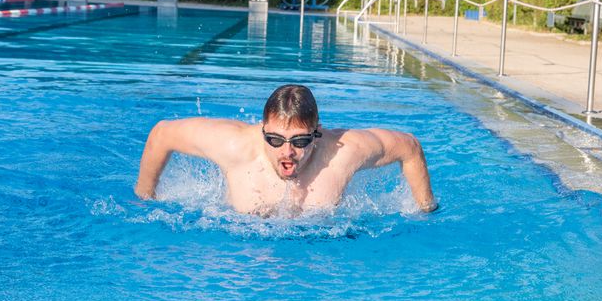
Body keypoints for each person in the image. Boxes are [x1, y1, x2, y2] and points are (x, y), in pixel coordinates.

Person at [135, 84, 438, 216]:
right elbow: (162, 134)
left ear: (317, 134)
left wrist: (426, 211)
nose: (287, 152)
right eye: (275, 140)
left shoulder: (345, 151)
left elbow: (409, 147)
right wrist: (144, 200)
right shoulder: (234, 145)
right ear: (262, 129)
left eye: (300, 141)